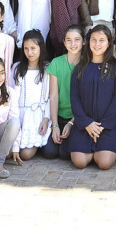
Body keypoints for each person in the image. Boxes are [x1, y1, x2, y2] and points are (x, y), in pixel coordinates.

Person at [69, 25, 116, 170]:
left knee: (104, 163)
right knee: (79, 162)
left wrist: (102, 126)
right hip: (84, 125)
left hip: (106, 127)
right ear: (88, 42)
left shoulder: (115, 67)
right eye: (93, 40)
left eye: (102, 40)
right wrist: (87, 123)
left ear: (108, 43)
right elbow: (74, 98)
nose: (97, 44)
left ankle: (103, 149)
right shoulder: (80, 67)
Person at [8, 30, 53, 162]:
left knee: (25, 155)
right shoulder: (17, 68)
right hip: (20, 115)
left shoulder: (47, 69)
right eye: (26, 49)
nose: (30, 52)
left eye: (33, 48)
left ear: (41, 48)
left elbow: (51, 96)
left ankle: (38, 143)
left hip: (39, 115)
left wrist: (46, 119)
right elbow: (11, 94)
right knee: (8, 154)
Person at [43, 24, 84, 160]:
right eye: (69, 40)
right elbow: (53, 96)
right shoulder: (56, 63)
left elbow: (85, 99)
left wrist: (71, 123)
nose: (73, 44)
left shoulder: (87, 64)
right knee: (49, 152)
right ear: (64, 42)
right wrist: (55, 125)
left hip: (77, 118)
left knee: (65, 153)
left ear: (84, 41)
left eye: (77, 39)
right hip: (59, 116)